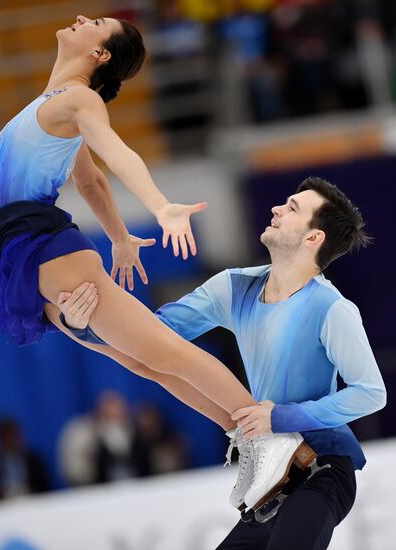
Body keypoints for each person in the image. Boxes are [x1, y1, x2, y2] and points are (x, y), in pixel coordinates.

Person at [0, 15, 306, 509]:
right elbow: (89, 180)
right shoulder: (53, 104)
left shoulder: (79, 99)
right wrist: (119, 239)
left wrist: (159, 207)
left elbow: (117, 152)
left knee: (166, 351)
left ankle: (271, 438)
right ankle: (250, 441)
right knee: (145, 363)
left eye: (96, 23)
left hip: (42, 243)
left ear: (101, 55)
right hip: (23, 249)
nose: (80, 19)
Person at [59, 177, 386, 549]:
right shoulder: (234, 287)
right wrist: (82, 326)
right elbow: (153, 336)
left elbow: (370, 394)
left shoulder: (332, 309)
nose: (277, 208)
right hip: (272, 474)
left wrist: (281, 416)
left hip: (323, 468)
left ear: (314, 238)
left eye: (293, 208)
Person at [0, 417, 50, 503]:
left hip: (30, 503)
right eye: (5, 436)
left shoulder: (33, 460)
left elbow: (45, 488)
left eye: (12, 435)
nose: (9, 439)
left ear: (19, 436)